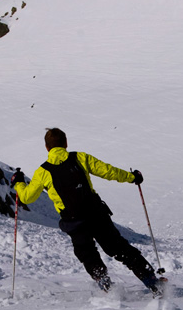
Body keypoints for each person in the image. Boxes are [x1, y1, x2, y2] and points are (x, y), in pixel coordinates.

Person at [11, 127, 164, 296]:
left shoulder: (43, 172)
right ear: (66, 143)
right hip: (96, 214)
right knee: (120, 249)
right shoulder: (80, 158)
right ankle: (153, 282)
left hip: (73, 220)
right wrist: (132, 177)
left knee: (87, 254)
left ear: (47, 147)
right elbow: (108, 171)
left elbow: (27, 197)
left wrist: (18, 182)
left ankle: (108, 288)